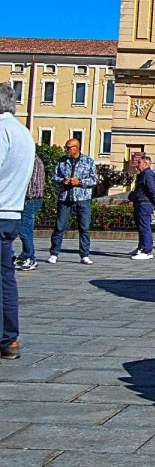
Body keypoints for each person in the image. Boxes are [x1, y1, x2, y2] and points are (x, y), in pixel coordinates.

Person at [0, 83, 36, 360]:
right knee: (5, 279)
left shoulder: (1, 131)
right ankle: (9, 339)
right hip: (12, 211)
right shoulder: (24, 133)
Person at [48, 139, 97, 265]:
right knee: (59, 227)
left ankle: (84, 254)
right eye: (66, 147)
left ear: (77, 147)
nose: (67, 150)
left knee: (84, 227)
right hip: (65, 198)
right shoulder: (61, 161)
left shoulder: (88, 161)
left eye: (69, 147)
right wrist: (62, 181)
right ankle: (54, 253)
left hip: (82, 198)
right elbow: (54, 177)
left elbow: (94, 180)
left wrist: (79, 182)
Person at [13, 156, 45, 271]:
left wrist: (25, 198)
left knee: (24, 228)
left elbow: (32, 185)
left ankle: (30, 257)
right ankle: (25, 254)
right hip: (32, 199)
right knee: (25, 228)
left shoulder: (33, 161)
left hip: (32, 199)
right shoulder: (33, 160)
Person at [129, 156, 155, 260]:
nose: (137, 165)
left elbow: (152, 190)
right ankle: (141, 247)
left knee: (144, 227)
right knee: (141, 227)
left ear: (145, 164)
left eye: (139, 163)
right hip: (140, 202)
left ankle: (146, 251)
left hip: (145, 204)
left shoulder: (148, 174)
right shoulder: (143, 174)